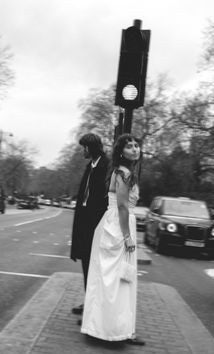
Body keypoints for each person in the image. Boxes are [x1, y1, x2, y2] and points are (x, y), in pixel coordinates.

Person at [80, 133, 145, 346]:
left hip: (112, 224)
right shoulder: (124, 173)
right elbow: (123, 206)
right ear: (121, 152)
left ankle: (103, 328)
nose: (135, 149)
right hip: (119, 226)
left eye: (136, 145)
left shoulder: (120, 171)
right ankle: (112, 331)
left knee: (106, 278)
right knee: (117, 280)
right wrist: (127, 237)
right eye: (130, 147)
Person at [70, 133, 109, 317]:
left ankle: (94, 307)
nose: (82, 151)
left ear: (89, 148)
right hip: (86, 224)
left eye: (83, 148)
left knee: (96, 267)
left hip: (97, 224)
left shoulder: (105, 166)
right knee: (87, 264)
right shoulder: (91, 165)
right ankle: (89, 301)